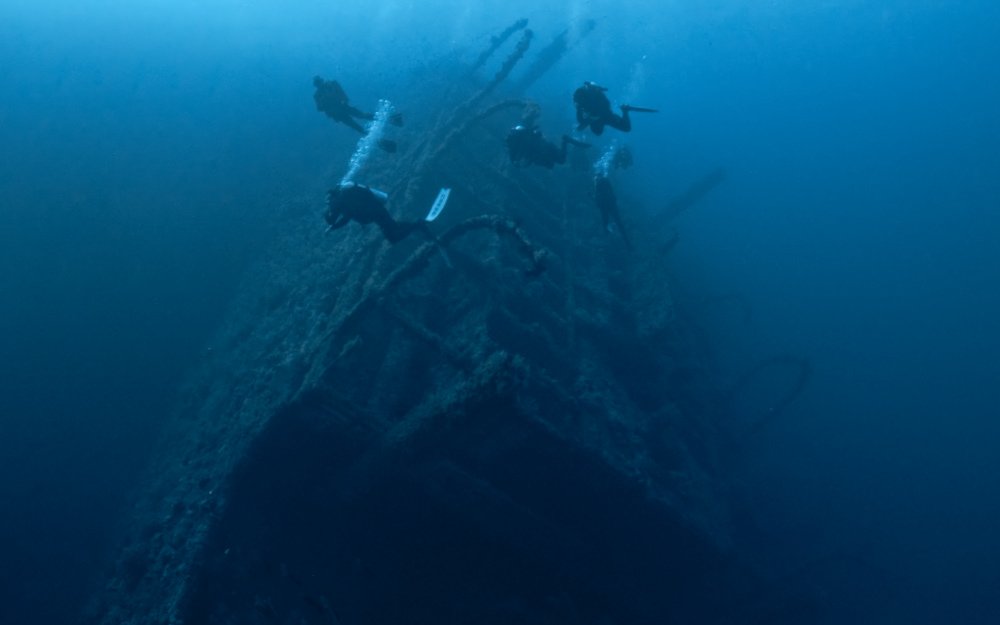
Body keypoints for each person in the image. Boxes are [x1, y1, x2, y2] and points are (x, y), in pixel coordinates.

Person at [313, 76, 403, 151]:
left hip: (344, 107)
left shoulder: (331, 84)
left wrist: (344, 101)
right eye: (318, 84)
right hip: (338, 114)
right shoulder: (318, 95)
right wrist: (323, 100)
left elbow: (341, 93)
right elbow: (320, 108)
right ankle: (381, 141)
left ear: (321, 81)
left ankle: (391, 120)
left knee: (363, 116)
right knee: (358, 127)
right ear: (317, 85)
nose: (319, 85)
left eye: (319, 82)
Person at [325, 182, 426, 244]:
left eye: (329, 202)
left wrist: (331, 224)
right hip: (377, 208)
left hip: (375, 213)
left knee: (393, 237)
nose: (330, 205)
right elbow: (345, 218)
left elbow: (344, 220)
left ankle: (418, 224)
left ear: (333, 198)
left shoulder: (342, 202)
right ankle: (417, 226)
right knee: (393, 227)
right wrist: (332, 227)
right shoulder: (346, 195)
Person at [573, 81, 656, 135]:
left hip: (599, 105)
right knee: (625, 127)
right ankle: (624, 110)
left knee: (625, 127)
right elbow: (580, 126)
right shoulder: (602, 119)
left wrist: (625, 111)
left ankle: (625, 110)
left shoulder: (602, 120)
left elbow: (580, 126)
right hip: (600, 105)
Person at [506, 123, 589, 169]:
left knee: (561, 161)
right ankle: (565, 141)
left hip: (545, 148)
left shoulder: (516, 147)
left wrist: (517, 163)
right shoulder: (517, 145)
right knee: (558, 161)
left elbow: (516, 158)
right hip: (544, 147)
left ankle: (565, 140)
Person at [594, 174, 631, 248]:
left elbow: (597, 200)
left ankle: (608, 241)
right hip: (612, 204)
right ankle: (628, 243)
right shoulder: (607, 181)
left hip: (604, 206)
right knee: (619, 223)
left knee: (605, 224)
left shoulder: (597, 183)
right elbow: (612, 193)